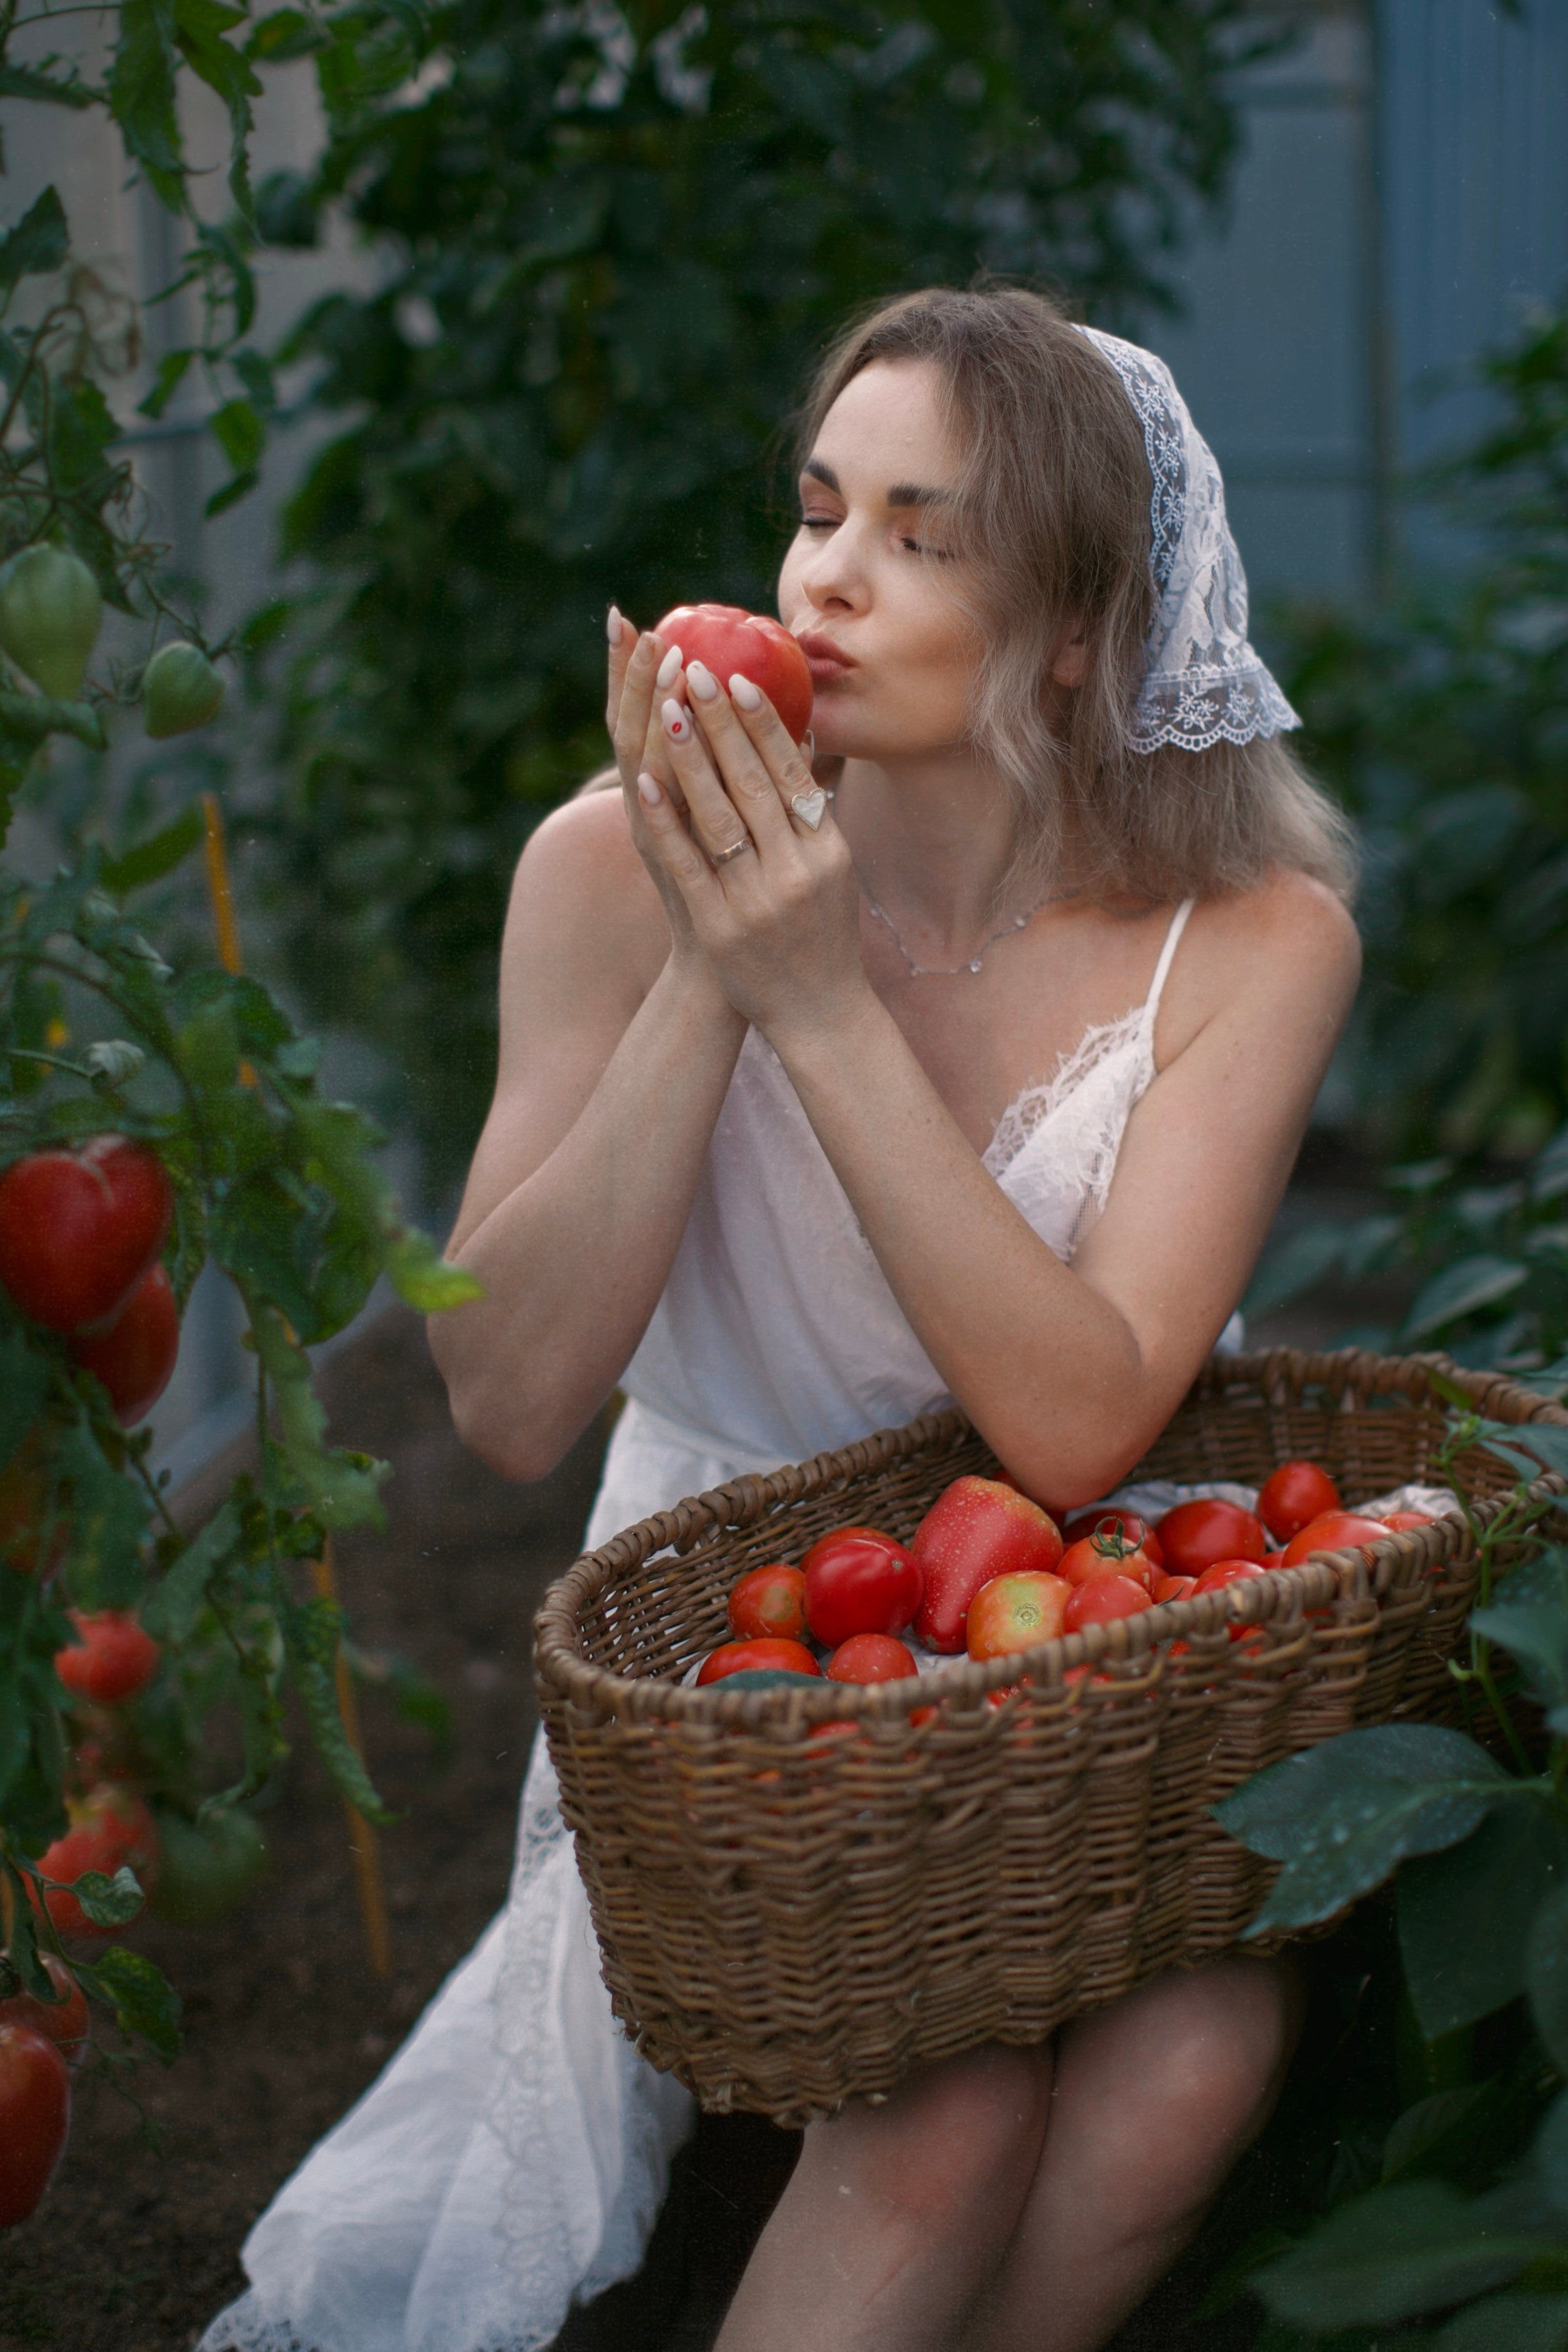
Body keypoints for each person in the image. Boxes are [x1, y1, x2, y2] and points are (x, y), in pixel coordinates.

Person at [203, 285, 1359, 2352]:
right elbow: (510, 1401)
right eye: (822, 510)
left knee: (1193, 2062)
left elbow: (1079, 1429)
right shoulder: (601, 869)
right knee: (946, 2113)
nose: (826, 577)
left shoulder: (1257, 939)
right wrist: (718, 958)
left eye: (924, 536)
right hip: (737, 1663)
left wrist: (825, 1004)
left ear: (1078, 627)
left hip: (1067, 1639)